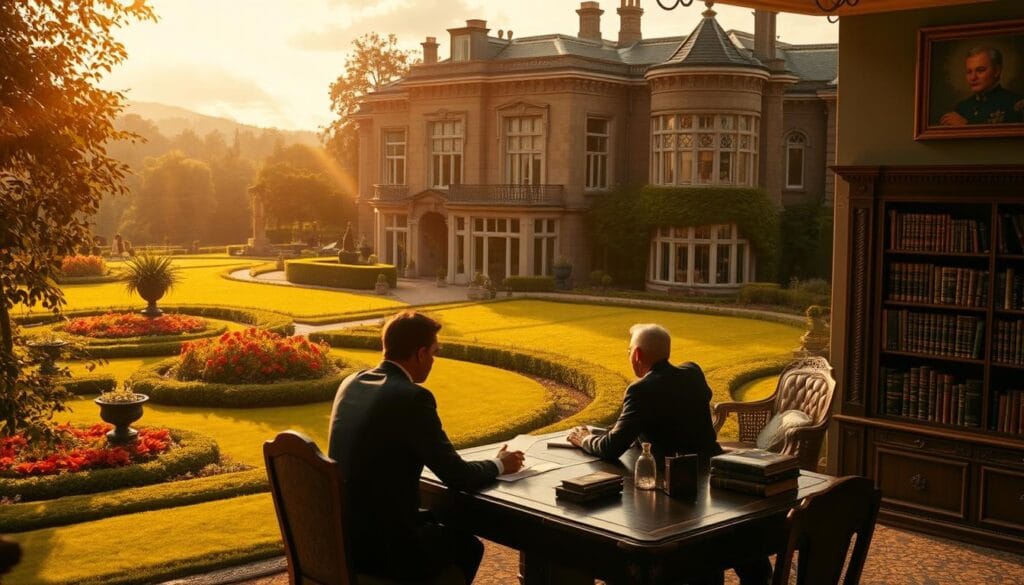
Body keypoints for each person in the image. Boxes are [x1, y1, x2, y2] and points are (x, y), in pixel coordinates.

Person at [328, 310, 525, 584]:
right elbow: (458, 476)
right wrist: (501, 463)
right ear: (420, 354)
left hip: (344, 539)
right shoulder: (412, 398)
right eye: (434, 352)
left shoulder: (352, 383)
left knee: (439, 527)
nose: (434, 360)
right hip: (386, 549)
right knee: (467, 547)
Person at [567, 324, 770, 585]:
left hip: (676, 494)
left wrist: (584, 438)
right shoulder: (693, 372)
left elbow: (610, 448)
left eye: (629, 351)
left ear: (637, 355)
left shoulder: (641, 390)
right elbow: (669, 414)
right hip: (716, 485)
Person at [940, 46, 1024, 126]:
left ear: (997, 71)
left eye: (980, 70)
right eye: (969, 72)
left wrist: (967, 125)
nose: (973, 77)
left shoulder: (1015, 104)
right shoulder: (961, 108)